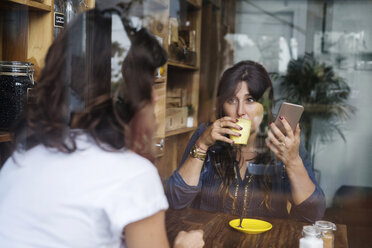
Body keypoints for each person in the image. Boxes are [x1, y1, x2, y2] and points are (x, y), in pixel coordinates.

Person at [0, 6, 204, 248]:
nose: (156, 96)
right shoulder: (133, 175)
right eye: (149, 83)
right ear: (127, 94)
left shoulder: (19, 161)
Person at [166, 60, 326, 222]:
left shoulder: (285, 143)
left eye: (249, 100)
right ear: (222, 107)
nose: (240, 111)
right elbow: (175, 200)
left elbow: (313, 214)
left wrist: (293, 162)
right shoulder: (205, 135)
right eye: (232, 100)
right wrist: (202, 145)